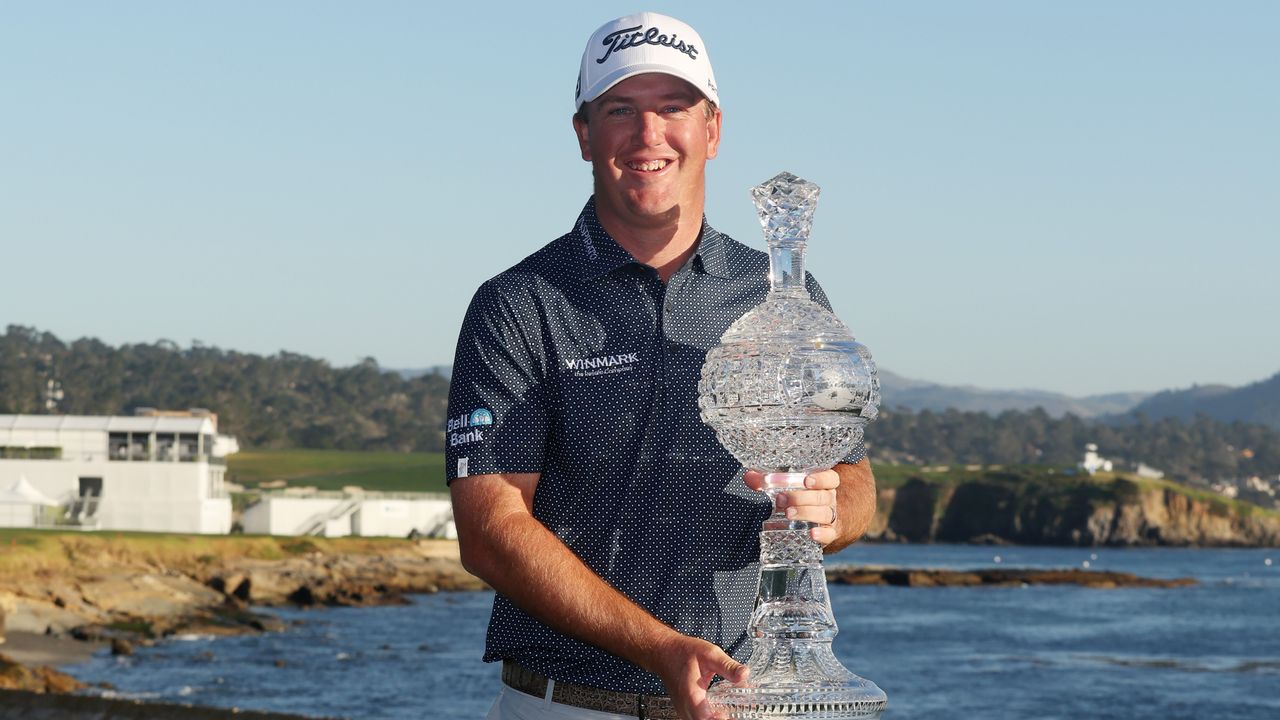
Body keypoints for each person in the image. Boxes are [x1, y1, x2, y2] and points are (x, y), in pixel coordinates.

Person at [446, 12, 878, 720]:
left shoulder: (781, 297)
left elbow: (851, 473)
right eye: (620, 110)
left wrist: (831, 513)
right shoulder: (518, 305)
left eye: (672, 107)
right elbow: (491, 530)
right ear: (584, 134)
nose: (648, 135)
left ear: (712, 129)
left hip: (748, 703)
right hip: (567, 708)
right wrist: (659, 648)